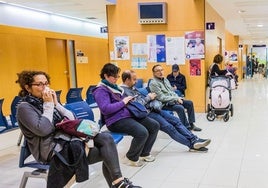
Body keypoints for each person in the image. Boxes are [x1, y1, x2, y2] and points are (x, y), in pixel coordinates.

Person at [16, 70, 141, 188]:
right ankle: (118, 183)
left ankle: (118, 182)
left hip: (67, 140)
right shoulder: (25, 108)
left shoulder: (45, 101)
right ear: (27, 87)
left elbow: (72, 118)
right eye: (39, 84)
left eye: (46, 83)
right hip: (51, 149)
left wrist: (57, 105)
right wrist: (48, 105)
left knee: (106, 139)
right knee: (107, 151)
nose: (45, 87)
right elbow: (43, 130)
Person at [121, 70, 211, 152]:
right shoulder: (124, 91)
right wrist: (149, 97)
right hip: (146, 114)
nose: (136, 81)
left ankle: (194, 139)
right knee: (169, 127)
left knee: (176, 121)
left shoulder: (133, 88)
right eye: (134, 79)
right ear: (127, 80)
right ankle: (192, 145)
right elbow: (137, 104)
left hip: (153, 109)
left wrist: (149, 98)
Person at [93, 63, 160, 167]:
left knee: (154, 125)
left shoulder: (115, 88)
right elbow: (106, 109)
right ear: (105, 76)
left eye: (117, 76)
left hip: (127, 115)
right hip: (115, 120)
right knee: (142, 132)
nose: (116, 79)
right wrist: (123, 102)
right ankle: (131, 157)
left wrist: (129, 100)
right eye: (114, 77)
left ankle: (144, 153)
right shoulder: (100, 90)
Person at [149, 64, 202, 132]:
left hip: (172, 100)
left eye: (161, 70)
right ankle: (186, 127)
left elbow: (171, 91)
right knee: (180, 108)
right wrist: (176, 99)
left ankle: (191, 124)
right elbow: (161, 98)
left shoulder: (165, 79)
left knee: (189, 103)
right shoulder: (153, 83)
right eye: (158, 71)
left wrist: (178, 97)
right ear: (154, 73)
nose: (160, 72)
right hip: (163, 104)